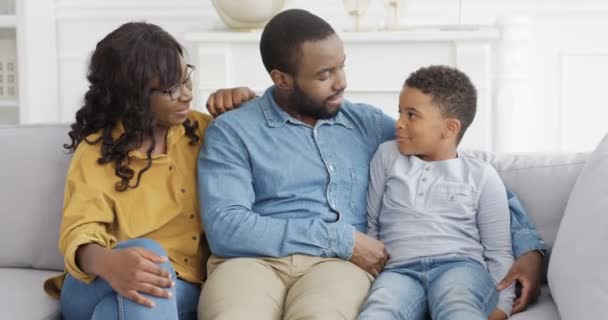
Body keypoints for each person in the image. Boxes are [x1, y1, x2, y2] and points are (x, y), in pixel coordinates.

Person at [198, 9, 544, 320]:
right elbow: (227, 227)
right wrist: (341, 238)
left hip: (337, 268)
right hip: (250, 262)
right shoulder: (234, 129)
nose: (341, 82)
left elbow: (459, 170)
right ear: (282, 79)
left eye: (341, 65)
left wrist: (528, 248)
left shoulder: (367, 125)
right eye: (324, 75)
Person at [42, 22, 212, 320]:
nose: (186, 95)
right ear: (133, 96)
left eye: (187, 79)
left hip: (180, 288)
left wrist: (242, 101)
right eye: (171, 88)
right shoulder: (97, 152)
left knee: (127, 301)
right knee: (149, 256)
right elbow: (79, 231)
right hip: (96, 281)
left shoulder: (203, 130)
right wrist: (110, 263)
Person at [358, 65, 513, 320]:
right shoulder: (387, 156)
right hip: (399, 271)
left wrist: (503, 307)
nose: (399, 123)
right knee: (379, 310)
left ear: (449, 128)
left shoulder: (481, 175)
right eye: (400, 112)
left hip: (461, 268)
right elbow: (372, 225)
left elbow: (499, 251)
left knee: (458, 305)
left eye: (411, 115)